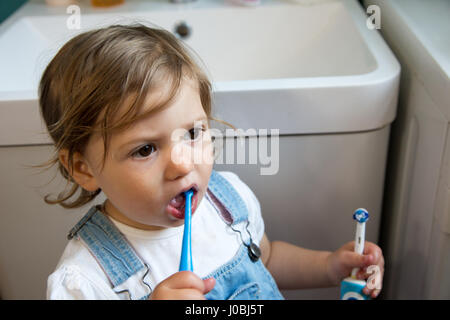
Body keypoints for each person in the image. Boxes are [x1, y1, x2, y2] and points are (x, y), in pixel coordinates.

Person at [40, 24, 384, 300]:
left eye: (192, 133)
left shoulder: (228, 201)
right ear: (83, 168)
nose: (182, 164)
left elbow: (266, 259)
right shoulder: (84, 280)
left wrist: (329, 266)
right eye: (145, 149)